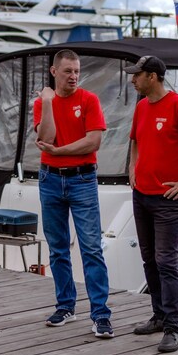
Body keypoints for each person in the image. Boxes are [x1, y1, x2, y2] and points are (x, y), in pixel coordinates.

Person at [125, 55, 178, 352]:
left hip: (167, 199)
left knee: (166, 261)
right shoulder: (140, 107)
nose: (132, 79)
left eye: (137, 75)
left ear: (152, 76)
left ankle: (174, 327)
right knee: (149, 259)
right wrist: (132, 169)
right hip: (141, 195)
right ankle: (159, 316)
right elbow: (134, 140)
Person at [34, 49, 113, 339]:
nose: (74, 76)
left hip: (82, 179)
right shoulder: (43, 103)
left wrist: (61, 152)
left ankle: (101, 315)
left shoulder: (89, 100)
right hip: (50, 180)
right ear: (54, 72)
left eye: (77, 71)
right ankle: (66, 305)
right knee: (57, 248)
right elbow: (46, 137)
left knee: (91, 248)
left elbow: (93, 142)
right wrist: (47, 101)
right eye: (68, 71)